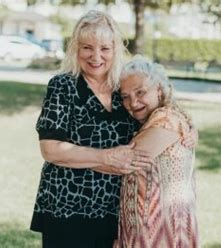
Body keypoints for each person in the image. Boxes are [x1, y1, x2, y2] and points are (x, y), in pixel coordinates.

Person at [30, 10, 154, 248]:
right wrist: (108, 157)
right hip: (66, 208)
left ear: (115, 49)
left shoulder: (124, 88)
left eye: (104, 48)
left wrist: (184, 126)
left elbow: (158, 110)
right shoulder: (63, 85)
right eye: (87, 47)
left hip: (114, 211)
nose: (96, 56)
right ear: (76, 48)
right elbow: (51, 150)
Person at [117, 56, 198, 247]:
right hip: (146, 229)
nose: (133, 102)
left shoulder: (166, 119)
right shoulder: (152, 120)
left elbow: (124, 160)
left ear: (159, 90)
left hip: (163, 231)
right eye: (125, 96)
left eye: (140, 92)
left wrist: (68, 156)